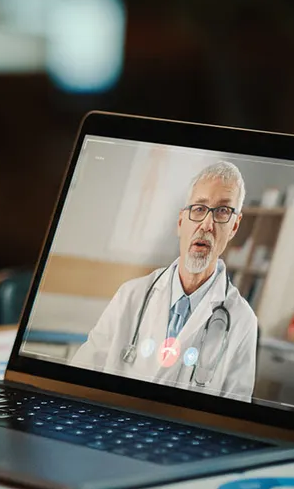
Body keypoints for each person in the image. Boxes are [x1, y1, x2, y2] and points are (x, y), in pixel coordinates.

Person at [70, 161, 258, 402]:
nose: (207, 225)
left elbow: (235, 420)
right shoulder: (131, 295)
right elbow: (80, 377)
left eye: (222, 212)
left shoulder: (243, 322)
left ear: (234, 227)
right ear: (181, 222)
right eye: (199, 208)